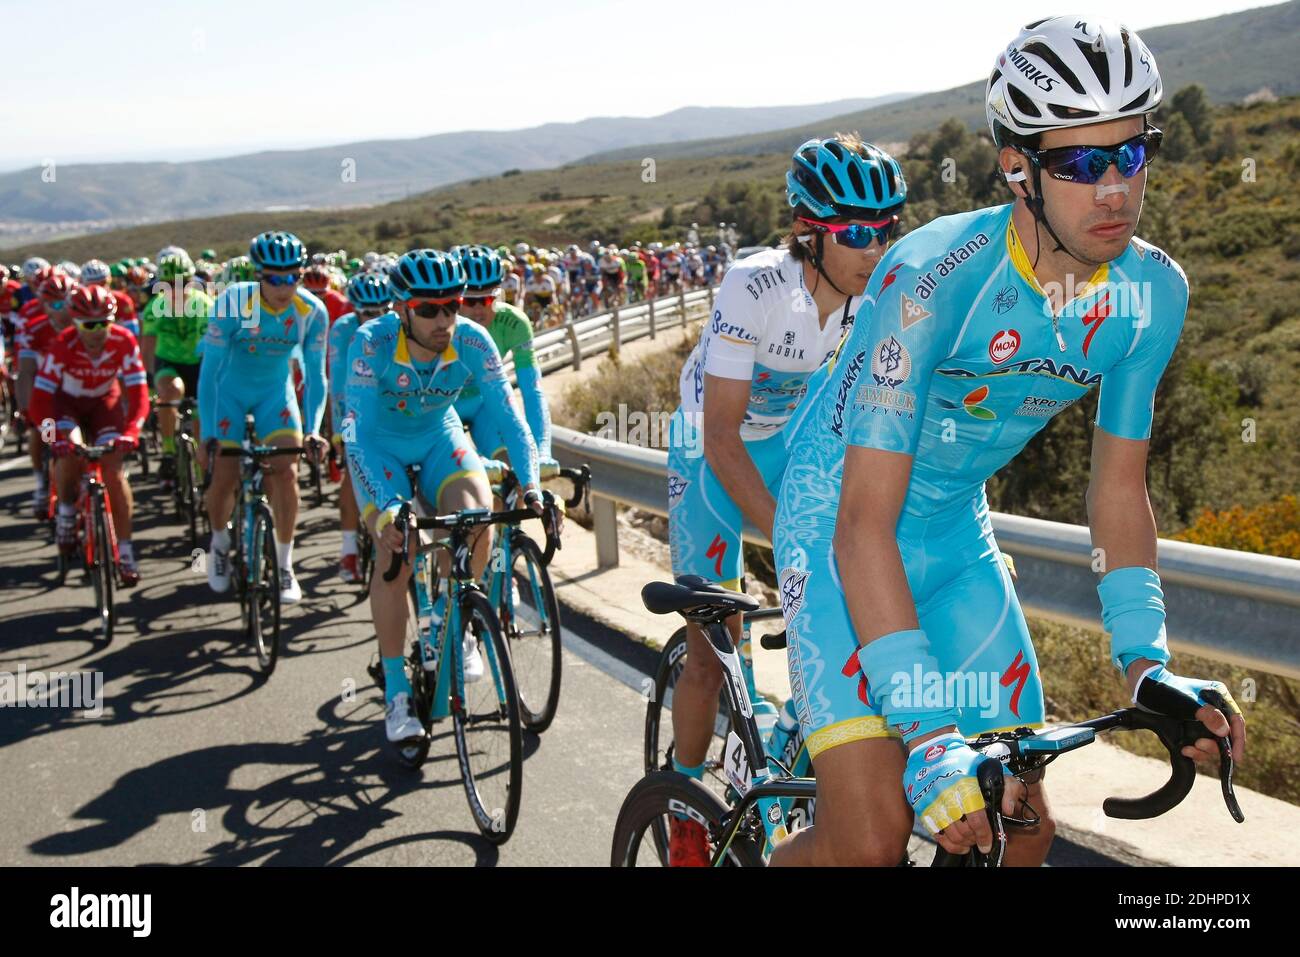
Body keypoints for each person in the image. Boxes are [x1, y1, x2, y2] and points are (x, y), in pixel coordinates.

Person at [768, 16, 1245, 867]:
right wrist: (926, 733)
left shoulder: (1151, 293)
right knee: (872, 843)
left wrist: (1147, 665)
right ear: (1017, 168)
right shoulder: (930, 280)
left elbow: (1116, 488)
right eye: (1078, 162)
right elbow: (861, 526)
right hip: (838, 529)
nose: (1113, 191)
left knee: (1025, 831)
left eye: (1130, 155)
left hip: (952, 536)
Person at [665, 133, 907, 865]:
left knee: (854, 601)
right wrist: (794, 542)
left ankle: (779, 746)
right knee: (712, 655)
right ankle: (680, 806)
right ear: (810, 231)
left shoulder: (876, 300)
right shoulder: (756, 286)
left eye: (886, 231)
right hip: (714, 449)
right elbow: (722, 439)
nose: (875, 249)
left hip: (794, 443)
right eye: (857, 234)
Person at [343, 248, 541, 743]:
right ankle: (394, 693)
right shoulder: (372, 342)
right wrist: (388, 509)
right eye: (429, 309)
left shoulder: (473, 341)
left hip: (438, 438)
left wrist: (533, 483)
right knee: (399, 548)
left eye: (452, 305)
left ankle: (459, 625)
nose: (444, 319)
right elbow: (356, 432)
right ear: (402, 309)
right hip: (379, 446)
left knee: (478, 514)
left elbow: (512, 417)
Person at [197, 230, 328, 604]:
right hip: (229, 394)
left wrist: (315, 430)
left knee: (287, 471)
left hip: (275, 394)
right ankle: (220, 544)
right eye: (275, 278)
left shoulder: (311, 312)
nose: (284, 287)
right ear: (258, 276)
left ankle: (285, 565)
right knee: (224, 473)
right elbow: (210, 372)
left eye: (293, 277)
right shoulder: (234, 303)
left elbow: (316, 376)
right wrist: (208, 431)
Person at [29, 285, 149, 585]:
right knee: (70, 450)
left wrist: (133, 430)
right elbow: (39, 401)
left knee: (114, 471)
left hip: (104, 403)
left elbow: (138, 393)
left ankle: (125, 550)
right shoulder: (62, 344)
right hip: (66, 404)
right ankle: (67, 509)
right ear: (74, 323)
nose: (97, 331)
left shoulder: (123, 341)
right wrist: (50, 439)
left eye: (104, 323)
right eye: (88, 325)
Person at [454, 245, 552, 463]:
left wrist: (542, 452)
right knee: (460, 471)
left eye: (488, 299)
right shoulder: (438, 329)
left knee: (512, 467)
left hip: (484, 405)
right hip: (443, 409)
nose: (479, 309)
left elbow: (532, 391)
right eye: (469, 301)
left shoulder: (514, 323)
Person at [327, 270, 392, 582]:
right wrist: (341, 434)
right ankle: (349, 550)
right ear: (355, 310)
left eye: (383, 311)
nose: (376, 318)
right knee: (354, 476)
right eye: (368, 312)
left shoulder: (396, 327)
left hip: (389, 408)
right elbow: (338, 386)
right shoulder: (342, 330)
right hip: (351, 409)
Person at [140, 251, 213, 488]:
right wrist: (151, 379)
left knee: (202, 417)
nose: (175, 289)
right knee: (171, 392)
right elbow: (148, 345)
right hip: (169, 363)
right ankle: (169, 451)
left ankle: (203, 478)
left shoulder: (205, 304)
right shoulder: (155, 307)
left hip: (198, 364)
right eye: (169, 284)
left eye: (181, 282)